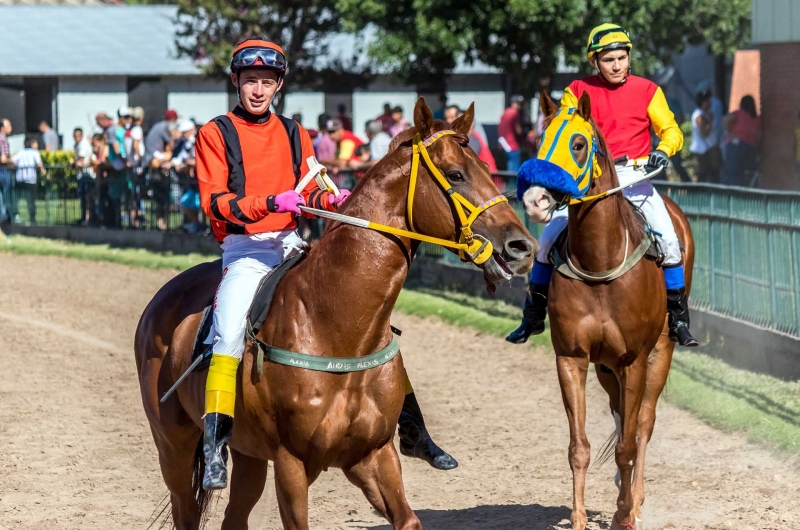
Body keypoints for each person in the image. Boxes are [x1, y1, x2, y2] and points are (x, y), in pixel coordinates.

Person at [195, 37, 353, 491]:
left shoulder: (294, 131)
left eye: (267, 82)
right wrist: (270, 201)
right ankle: (214, 447)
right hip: (245, 250)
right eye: (250, 81)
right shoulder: (214, 132)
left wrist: (332, 197)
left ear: (278, 85)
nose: (258, 90)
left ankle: (410, 424)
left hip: (291, 243)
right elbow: (216, 202)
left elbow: (311, 185)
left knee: (358, 311)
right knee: (226, 334)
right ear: (236, 82)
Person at [507, 23, 698, 348]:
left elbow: (671, 131)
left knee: (667, 238)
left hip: (635, 177)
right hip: (587, 179)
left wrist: (662, 152)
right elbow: (564, 127)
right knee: (548, 239)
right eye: (608, 59)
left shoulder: (648, 90)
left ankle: (678, 320)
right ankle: (533, 315)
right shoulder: (578, 89)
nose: (616, 65)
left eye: (621, 58)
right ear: (594, 60)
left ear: (628, 57)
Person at [722, 95, 760, 186]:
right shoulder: (756, 119)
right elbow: (758, 136)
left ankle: (732, 195)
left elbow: (726, 120)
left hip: (736, 145)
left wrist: (730, 134)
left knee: (732, 173)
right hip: (750, 148)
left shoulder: (739, 113)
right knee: (745, 174)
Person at [11, 138, 46, 224]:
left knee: (17, 200)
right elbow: (39, 164)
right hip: (30, 180)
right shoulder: (35, 152)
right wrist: (45, 173)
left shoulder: (21, 152)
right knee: (31, 201)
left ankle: (16, 216)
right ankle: (32, 219)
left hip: (20, 179)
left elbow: (12, 161)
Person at [690, 90, 715, 182]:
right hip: (701, 150)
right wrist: (711, 122)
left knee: (708, 172)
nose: (710, 103)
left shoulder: (704, 114)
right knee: (703, 174)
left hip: (705, 149)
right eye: (708, 101)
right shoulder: (699, 115)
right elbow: (704, 133)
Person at [73, 128, 95, 225]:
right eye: (74, 136)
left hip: (87, 175)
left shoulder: (83, 145)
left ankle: (89, 218)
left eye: (78, 136)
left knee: (88, 198)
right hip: (81, 175)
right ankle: (84, 217)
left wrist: (74, 164)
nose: (76, 138)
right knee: (83, 198)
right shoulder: (77, 145)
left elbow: (80, 160)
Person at [498, 95, 524, 172]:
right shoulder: (515, 114)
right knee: (513, 169)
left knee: (507, 167)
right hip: (512, 145)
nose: (520, 106)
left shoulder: (505, 112)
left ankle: (507, 183)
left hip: (503, 144)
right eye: (519, 104)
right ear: (514, 104)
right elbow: (518, 131)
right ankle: (511, 184)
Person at [0, 118, 12, 222]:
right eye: (8, 126)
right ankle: (4, 217)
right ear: (2, 128)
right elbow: (3, 159)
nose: (11, 128)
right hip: (3, 171)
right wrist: (12, 162)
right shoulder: (2, 139)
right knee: (6, 196)